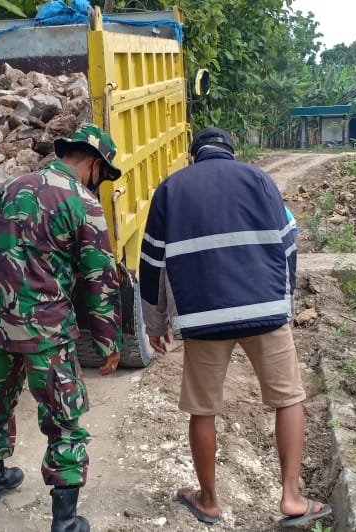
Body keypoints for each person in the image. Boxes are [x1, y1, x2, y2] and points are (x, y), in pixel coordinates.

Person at [139, 127, 331, 527]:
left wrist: (155, 323)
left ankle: (208, 501)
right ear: (232, 152)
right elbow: (289, 243)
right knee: (288, 398)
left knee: (203, 409)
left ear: (194, 157)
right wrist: (285, 301)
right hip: (266, 309)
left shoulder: (170, 189)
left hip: (203, 317)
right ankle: (292, 498)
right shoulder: (259, 179)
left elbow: (151, 261)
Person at [0, 123, 125, 532]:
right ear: (94, 164)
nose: (100, 184)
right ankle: (65, 519)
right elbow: (100, 281)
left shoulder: (12, 187)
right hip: (46, 331)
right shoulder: (83, 204)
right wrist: (109, 341)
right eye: (102, 176)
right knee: (63, 418)